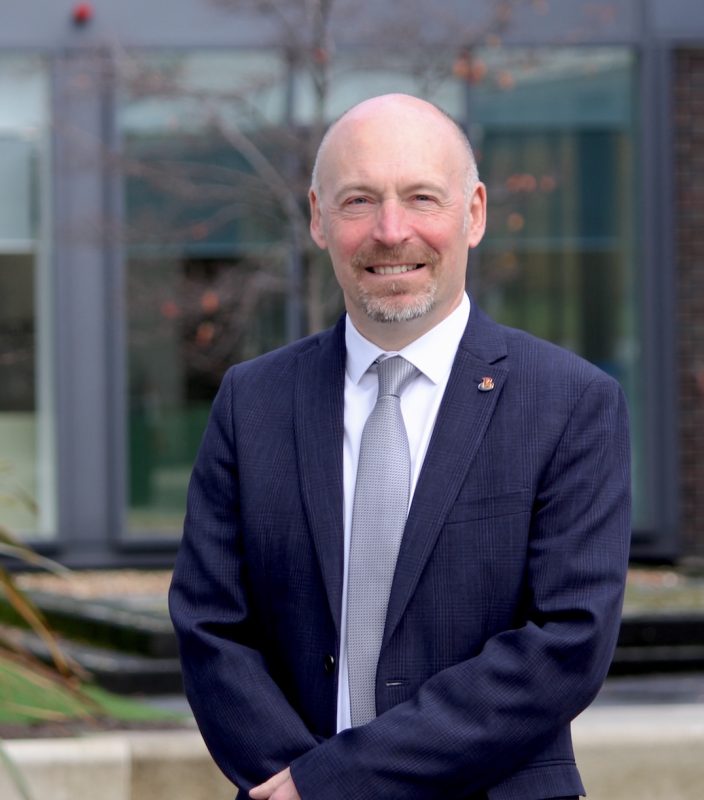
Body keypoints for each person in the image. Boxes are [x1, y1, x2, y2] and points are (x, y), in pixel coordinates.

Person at [169, 93, 631, 800]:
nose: (391, 231)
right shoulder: (250, 401)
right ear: (318, 219)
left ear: (472, 213)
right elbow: (209, 625)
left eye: (421, 197)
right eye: (358, 201)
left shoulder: (568, 404)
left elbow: (565, 642)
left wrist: (336, 784)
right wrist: (293, 785)